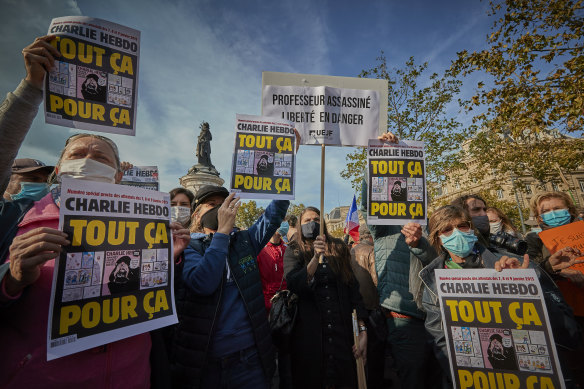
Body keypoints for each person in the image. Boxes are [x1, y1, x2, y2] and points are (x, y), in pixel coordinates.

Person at [0, 133, 153, 388]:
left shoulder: (143, 226)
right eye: (77, 155)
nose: (87, 161)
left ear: (117, 175)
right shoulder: (17, 216)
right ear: (59, 170)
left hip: (131, 377)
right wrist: (12, 280)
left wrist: (169, 257)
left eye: (100, 157)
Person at [418, 204, 582, 386]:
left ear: (471, 229)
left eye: (462, 226)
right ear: (438, 239)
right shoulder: (433, 282)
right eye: (447, 230)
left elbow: (569, 334)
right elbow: (442, 341)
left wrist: (525, 285)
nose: (457, 233)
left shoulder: (518, 264)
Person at [168, 185, 289, 388]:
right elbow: (203, 283)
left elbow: (274, 215)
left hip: (250, 360)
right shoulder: (188, 246)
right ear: (197, 215)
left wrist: (285, 170)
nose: (220, 209)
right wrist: (222, 233)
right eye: (212, 205)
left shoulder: (245, 241)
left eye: (223, 204)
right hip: (208, 364)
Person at [361, 131, 443, 389]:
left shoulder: (424, 224)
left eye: (402, 185)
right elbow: (367, 202)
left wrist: (420, 243)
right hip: (404, 317)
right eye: (394, 185)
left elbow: (434, 263)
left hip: (435, 316)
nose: (398, 188)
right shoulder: (382, 226)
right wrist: (376, 156)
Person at [283, 206, 367, 389]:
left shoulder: (338, 246)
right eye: (307, 220)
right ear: (299, 224)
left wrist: (362, 329)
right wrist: (314, 258)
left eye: (317, 219)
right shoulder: (294, 250)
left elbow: (353, 289)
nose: (312, 223)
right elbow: (294, 284)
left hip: (341, 333)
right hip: (309, 337)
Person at [350, 224, 386, 389]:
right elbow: (377, 279)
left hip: (356, 308)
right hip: (372, 306)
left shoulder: (350, 251)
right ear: (371, 236)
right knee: (375, 350)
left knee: (361, 351)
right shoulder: (372, 251)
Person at [257, 225, 287, 312]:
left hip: (287, 302)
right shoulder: (259, 250)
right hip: (267, 305)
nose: (283, 224)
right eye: (280, 221)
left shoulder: (288, 249)